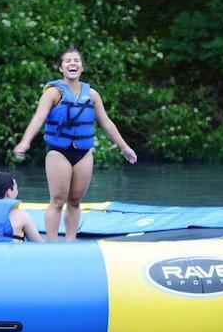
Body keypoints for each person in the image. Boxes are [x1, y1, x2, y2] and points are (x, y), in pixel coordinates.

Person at [12, 48, 137, 241]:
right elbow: (38, 118)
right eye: (68, 61)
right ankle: (52, 244)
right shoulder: (53, 93)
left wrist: (124, 147)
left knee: (75, 201)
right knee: (57, 201)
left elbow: (106, 122)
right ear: (61, 68)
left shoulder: (92, 94)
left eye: (76, 60)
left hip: (83, 153)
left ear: (82, 67)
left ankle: (71, 242)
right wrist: (25, 142)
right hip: (58, 152)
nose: (72, 63)